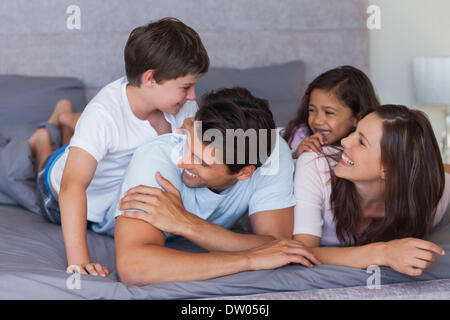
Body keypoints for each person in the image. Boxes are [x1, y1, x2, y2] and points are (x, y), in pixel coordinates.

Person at [32, 17, 210, 277]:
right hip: (60, 188)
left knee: (93, 144)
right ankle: (42, 143)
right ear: (151, 78)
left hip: (111, 178)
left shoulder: (179, 105)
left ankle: (69, 122)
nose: (193, 96)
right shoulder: (103, 114)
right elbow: (72, 186)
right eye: (186, 87)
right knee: (55, 167)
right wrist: (79, 261)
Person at [112, 87, 320, 285]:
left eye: (203, 162)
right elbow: (135, 268)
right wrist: (248, 260)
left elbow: (276, 245)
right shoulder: (156, 159)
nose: (184, 162)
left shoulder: (271, 153)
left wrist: (186, 224)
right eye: (189, 144)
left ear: (244, 172)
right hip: (99, 209)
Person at [293, 104, 449, 276]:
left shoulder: (434, 195)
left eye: (361, 142)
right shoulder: (314, 165)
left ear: (389, 169)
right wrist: (383, 253)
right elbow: (301, 252)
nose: (344, 141)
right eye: (354, 131)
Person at [282, 65, 380, 159]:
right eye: (312, 110)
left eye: (329, 112)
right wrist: (296, 156)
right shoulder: (299, 136)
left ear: (357, 118)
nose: (317, 121)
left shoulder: (372, 149)